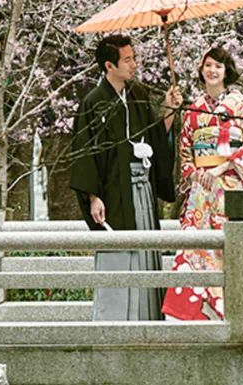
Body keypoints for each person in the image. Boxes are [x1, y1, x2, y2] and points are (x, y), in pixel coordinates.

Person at [68, 35, 181, 321]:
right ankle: (114, 320)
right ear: (109, 65)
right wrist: (93, 197)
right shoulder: (93, 102)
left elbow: (156, 134)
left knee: (146, 248)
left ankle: (149, 319)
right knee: (119, 249)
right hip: (114, 192)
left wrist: (169, 110)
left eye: (134, 58)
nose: (134, 64)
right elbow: (85, 152)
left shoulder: (139, 93)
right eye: (127, 59)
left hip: (142, 186)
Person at [162, 47, 243, 321]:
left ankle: (235, 310)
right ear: (201, 70)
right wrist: (197, 174)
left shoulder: (241, 105)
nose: (212, 70)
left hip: (232, 189)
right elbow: (186, 156)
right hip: (202, 194)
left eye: (218, 66)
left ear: (226, 72)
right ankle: (199, 311)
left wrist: (223, 167)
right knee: (196, 245)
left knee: (233, 250)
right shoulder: (193, 110)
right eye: (208, 65)